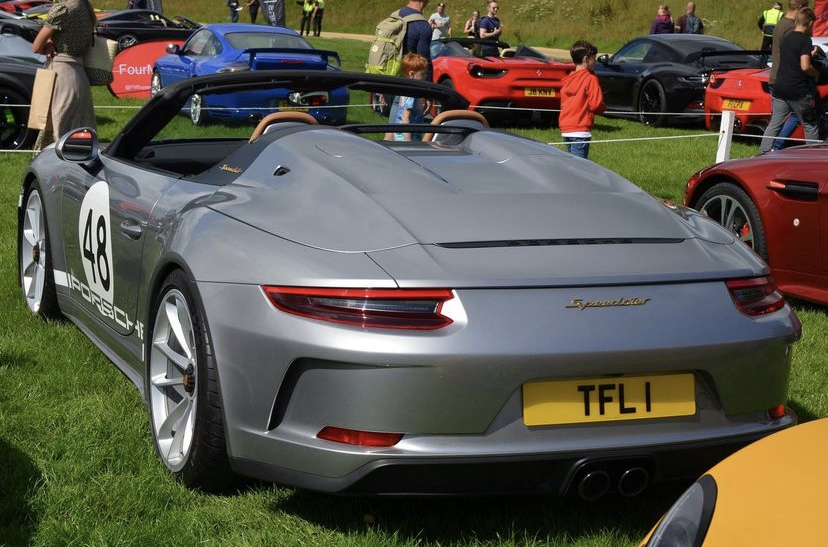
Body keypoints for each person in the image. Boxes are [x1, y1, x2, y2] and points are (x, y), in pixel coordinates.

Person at [31, 0, 97, 150]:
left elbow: (36, 47)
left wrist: (47, 45)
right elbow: (64, 35)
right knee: (80, 132)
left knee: (61, 132)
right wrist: (50, 43)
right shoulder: (85, 8)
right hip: (79, 75)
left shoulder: (63, 9)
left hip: (62, 74)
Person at [760, 8, 821, 152]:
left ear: (796, 21)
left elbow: (792, 58)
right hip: (798, 90)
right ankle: (813, 157)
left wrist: (808, 54)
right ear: (811, 23)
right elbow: (805, 67)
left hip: (780, 87)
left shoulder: (786, 38)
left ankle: (763, 153)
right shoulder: (805, 40)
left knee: (775, 124)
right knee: (809, 124)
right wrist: (816, 73)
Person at [767, 0, 810, 148]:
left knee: (776, 121)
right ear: (799, 8)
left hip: (775, 75)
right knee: (798, 117)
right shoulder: (793, 28)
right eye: (805, 9)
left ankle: (768, 149)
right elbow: (796, 54)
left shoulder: (780, 22)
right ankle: (776, 146)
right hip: (786, 77)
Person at [559, 40, 606, 159]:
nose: (595, 61)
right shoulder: (590, 79)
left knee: (571, 164)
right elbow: (596, 105)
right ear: (586, 59)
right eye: (594, 58)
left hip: (566, 128)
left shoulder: (568, 79)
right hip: (580, 129)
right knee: (578, 169)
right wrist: (603, 108)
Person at [389, 53, 429, 141]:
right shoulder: (412, 94)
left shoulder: (408, 90)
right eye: (423, 74)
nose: (425, 77)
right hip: (408, 137)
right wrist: (408, 140)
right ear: (412, 74)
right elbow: (405, 117)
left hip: (405, 135)